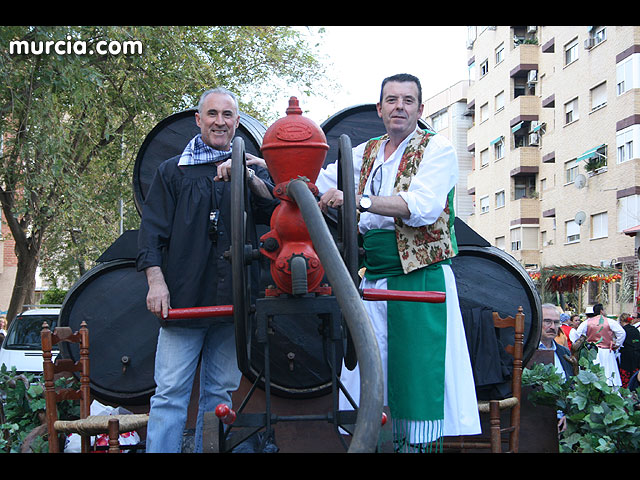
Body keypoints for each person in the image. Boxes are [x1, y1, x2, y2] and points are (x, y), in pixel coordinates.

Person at [315, 73, 480, 451]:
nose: (399, 107)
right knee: (373, 368)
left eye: (408, 101)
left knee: (417, 371)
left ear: (420, 109)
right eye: (392, 100)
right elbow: (319, 182)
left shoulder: (437, 149)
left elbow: (422, 207)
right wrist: (263, 166)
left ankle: (416, 447)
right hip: (375, 277)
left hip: (420, 279)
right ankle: (374, 443)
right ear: (379, 108)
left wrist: (359, 199)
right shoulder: (366, 153)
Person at [137, 88, 277, 453]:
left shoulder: (251, 170)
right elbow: (151, 234)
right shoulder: (173, 171)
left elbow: (276, 212)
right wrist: (156, 283)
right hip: (184, 301)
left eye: (227, 115)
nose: (220, 121)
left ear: (237, 122)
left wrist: (249, 177)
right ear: (199, 120)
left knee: (219, 395)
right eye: (212, 114)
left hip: (233, 305)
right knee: (170, 394)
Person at [538, 304, 575, 433]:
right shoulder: (526, 351)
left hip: (563, 425)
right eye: (547, 321)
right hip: (535, 423)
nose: (553, 327)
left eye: (556, 322)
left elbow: (573, 386)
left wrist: (569, 415)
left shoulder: (564, 353)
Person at [575, 303, 626, 388]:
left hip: (592, 351)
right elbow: (622, 333)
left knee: (594, 372)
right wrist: (617, 344)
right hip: (607, 350)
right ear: (601, 311)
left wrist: (584, 342)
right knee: (608, 371)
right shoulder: (610, 321)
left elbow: (578, 334)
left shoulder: (587, 322)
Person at [618, 313, 640, 388]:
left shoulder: (622, 331)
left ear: (621, 321)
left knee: (625, 377)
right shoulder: (635, 330)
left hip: (626, 356)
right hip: (637, 356)